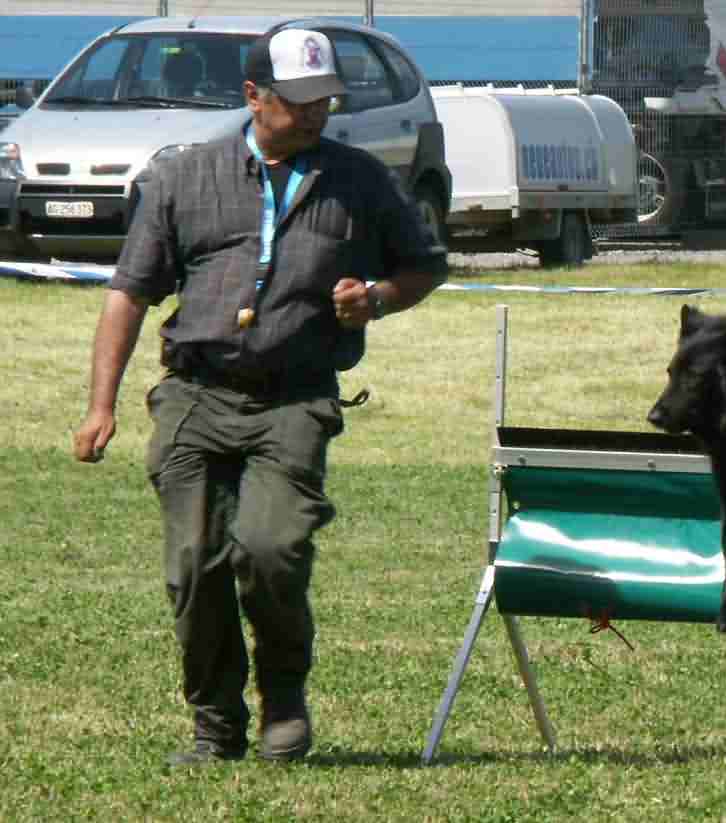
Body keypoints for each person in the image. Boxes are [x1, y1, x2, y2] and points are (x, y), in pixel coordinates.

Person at [72, 28, 447, 766]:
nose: (316, 115)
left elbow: (424, 266)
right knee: (193, 562)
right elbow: (128, 294)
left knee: (272, 549)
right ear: (253, 97)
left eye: (325, 101)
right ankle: (215, 723)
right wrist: (100, 404)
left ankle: (284, 698)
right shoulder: (186, 177)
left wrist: (376, 296)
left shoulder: (361, 180)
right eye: (300, 102)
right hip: (195, 395)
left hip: (294, 400)